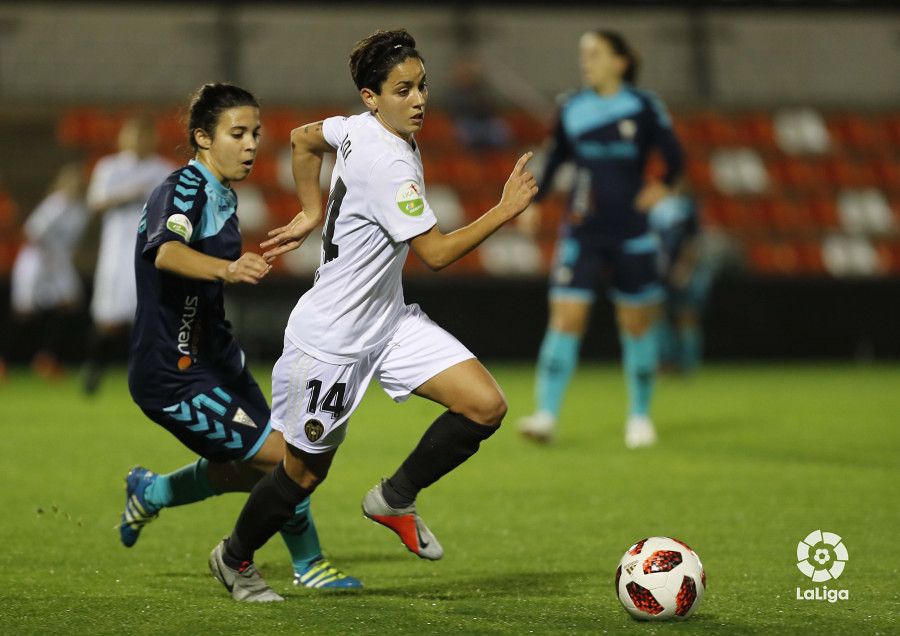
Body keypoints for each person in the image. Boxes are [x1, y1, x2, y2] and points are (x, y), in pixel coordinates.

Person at [206, 29, 538, 602]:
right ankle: (233, 558)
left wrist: (313, 208)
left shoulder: (355, 127)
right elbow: (434, 255)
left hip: (387, 323)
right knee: (301, 473)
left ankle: (394, 497)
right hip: (331, 342)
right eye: (403, 90)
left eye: (422, 86)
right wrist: (505, 209)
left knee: (484, 406)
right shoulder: (389, 162)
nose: (419, 99)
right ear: (371, 96)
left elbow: (302, 139)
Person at [121, 83, 360, 594]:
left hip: (217, 359)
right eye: (238, 133)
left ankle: (154, 491)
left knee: (265, 463)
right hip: (173, 373)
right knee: (281, 460)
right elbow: (165, 253)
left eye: (255, 132)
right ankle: (251, 562)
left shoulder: (223, 192)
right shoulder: (182, 189)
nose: (252, 144)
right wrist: (228, 269)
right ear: (203, 137)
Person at [516, 30, 684, 448]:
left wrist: (662, 183)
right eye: (583, 53)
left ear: (620, 62)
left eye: (594, 53)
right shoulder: (572, 107)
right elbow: (555, 159)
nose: (585, 60)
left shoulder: (643, 107)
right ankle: (546, 415)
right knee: (566, 318)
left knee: (636, 325)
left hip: (633, 231)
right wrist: (534, 200)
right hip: (583, 230)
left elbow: (675, 155)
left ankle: (640, 417)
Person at [83, 115, 175, 394]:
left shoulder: (165, 170)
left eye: (145, 135)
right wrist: (127, 195)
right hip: (116, 250)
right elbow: (95, 202)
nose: (139, 141)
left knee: (150, 313)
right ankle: (94, 368)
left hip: (151, 250)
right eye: (134, 135)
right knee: (110, 316)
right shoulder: (109, 167)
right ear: (124, 138)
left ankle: (151, 374)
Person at [2, 163, 87, 378]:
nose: (75, 186)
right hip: (36, 263)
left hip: (58, 266)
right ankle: (3, 360)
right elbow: (31, 233)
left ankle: (47, 359)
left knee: (67, 306)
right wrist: (51, 256)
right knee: (24, 315)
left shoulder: (79, 210)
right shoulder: (55, 204)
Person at [648, 190, 711, 374]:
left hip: (684, 269)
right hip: (658, 269)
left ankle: (688, 366)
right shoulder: (651, 205)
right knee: (655, 315)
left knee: (687, 316)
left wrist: (685, 266)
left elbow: (692, 239)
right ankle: (666, 362)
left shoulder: (685, 206)